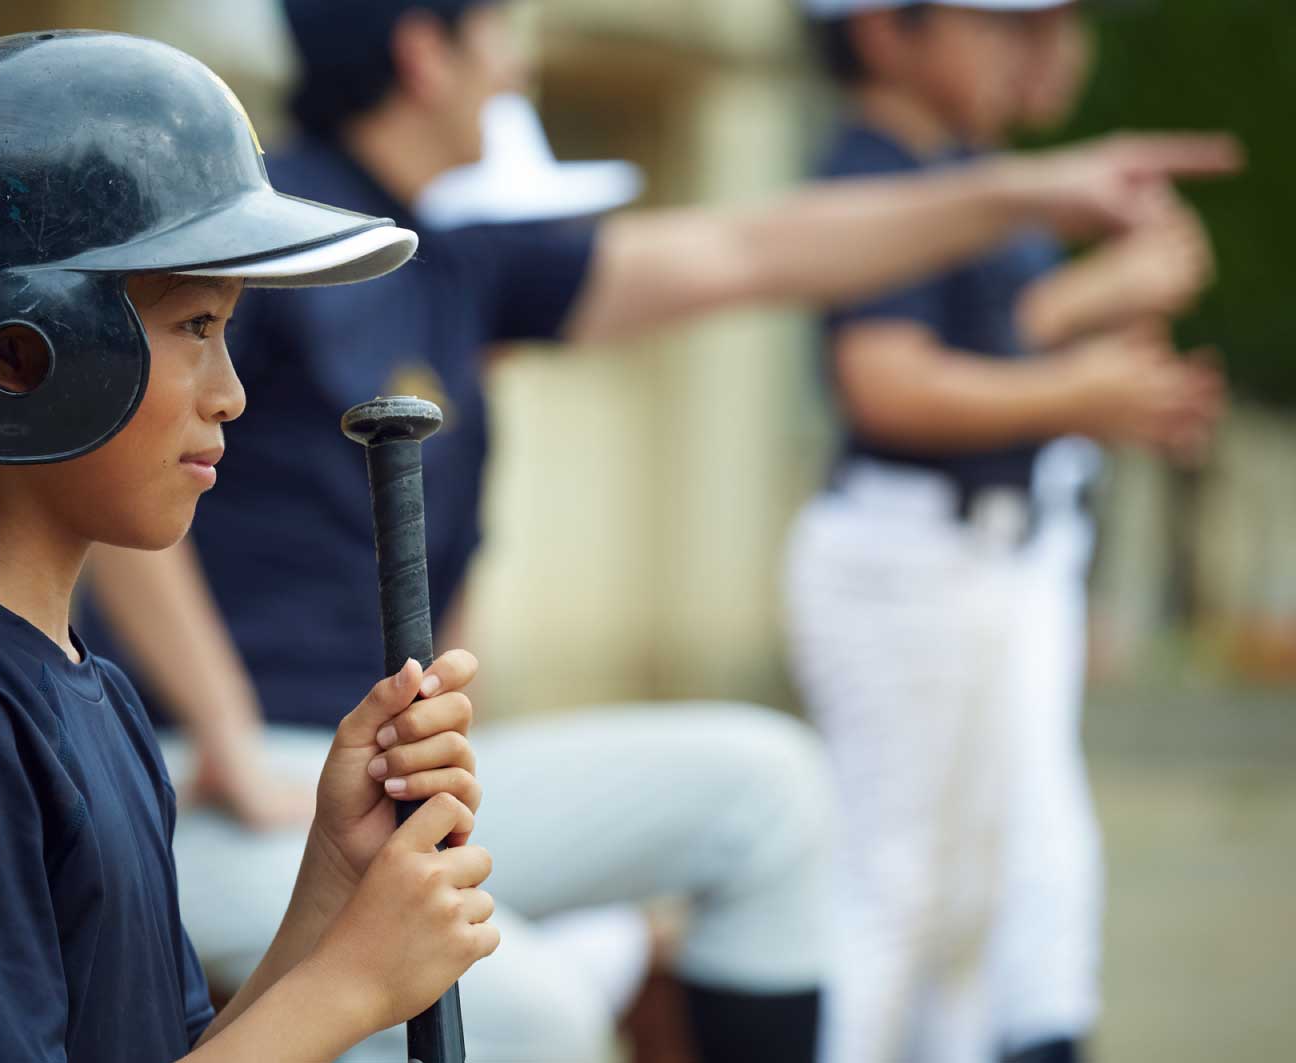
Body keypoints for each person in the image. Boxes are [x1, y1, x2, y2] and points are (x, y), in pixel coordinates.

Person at [77, 2, 1239, 1060]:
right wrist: (224, 731)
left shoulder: (450, 255)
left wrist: (1029, 193)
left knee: (768, 788)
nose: (516, 69)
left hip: (386, 785)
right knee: (540, 1012)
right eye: (498, 36)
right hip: (223, 784)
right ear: (423, 53)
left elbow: (751, 251)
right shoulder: (261, 236)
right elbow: (116, 483)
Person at [0, 31, 499, 1063]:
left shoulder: (86, 691)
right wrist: (349, 985)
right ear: (18, 354)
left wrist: (334, 886)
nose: (231, 392)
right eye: (195, 324)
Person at [784, 2, 1231, 1061]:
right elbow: (882, 381)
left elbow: (991, 336)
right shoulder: (872, 167)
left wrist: (1098, 344)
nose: (1014, 46)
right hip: (910, 554)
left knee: (982, 898)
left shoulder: (964, 166)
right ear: (886, 32)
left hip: (984, 548)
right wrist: (1079, 381)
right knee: (891, 889)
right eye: (987, 23)